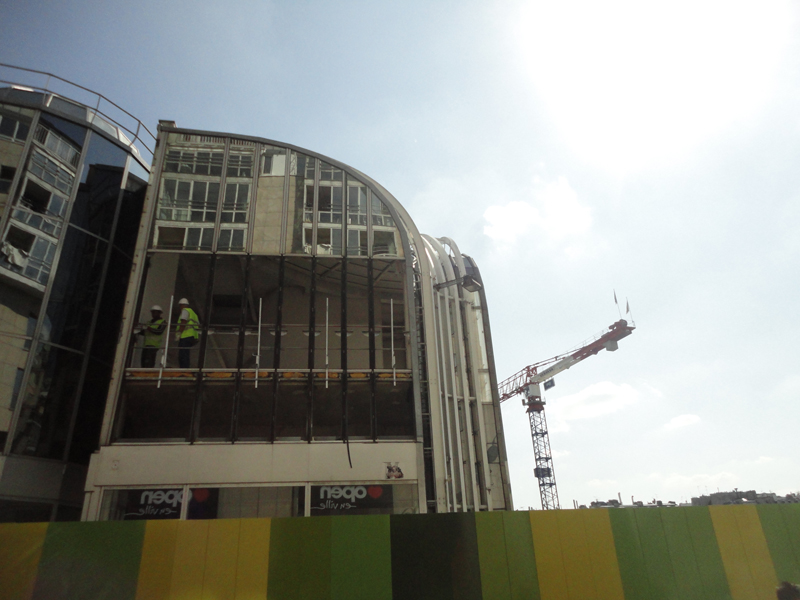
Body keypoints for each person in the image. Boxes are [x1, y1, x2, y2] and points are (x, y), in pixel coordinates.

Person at [175, 298, 200, 368]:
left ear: (181, 305)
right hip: (192, 336)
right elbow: (197, 326)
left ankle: (184, 368)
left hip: (185, 336)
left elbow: (183, 322)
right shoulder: (193, 313)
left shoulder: (185, 311)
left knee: (183, 354)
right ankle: (186, 368)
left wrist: (179, 333)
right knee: (186, 353)